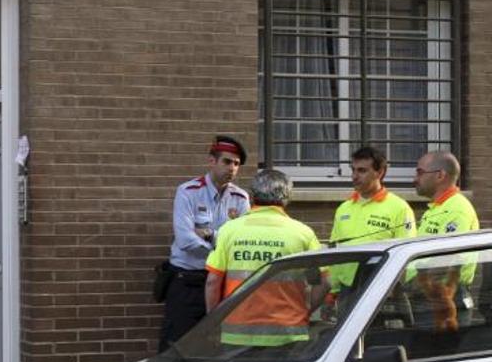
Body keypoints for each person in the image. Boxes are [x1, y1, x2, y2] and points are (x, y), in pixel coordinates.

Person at [205, 169, 327, 346]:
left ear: (252, 196)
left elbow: (212, 282)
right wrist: (306, 311)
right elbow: (324, 282)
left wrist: (213, 322)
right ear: (286, 198)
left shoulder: (229, 230)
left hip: (236, 335)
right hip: (289, 334)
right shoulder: (303, 233)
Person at [158, 135, 250, 352]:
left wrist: (208, 235)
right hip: (188, 282)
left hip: (223, 285)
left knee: (218, 349)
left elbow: (241, 242)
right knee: (178, 347)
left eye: (236, 164)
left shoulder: (241, 198)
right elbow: (185, 240)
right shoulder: (188, 192)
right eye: (227, 162)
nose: (232, 168)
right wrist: (221, 248)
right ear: (212, 161)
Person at [326, 146, 416, 310]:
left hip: (383, 292)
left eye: (362, 171)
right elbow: (335, 253)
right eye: (353, 170)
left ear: (380, 172)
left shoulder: (399, 208)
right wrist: (333, 291)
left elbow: (409, 256)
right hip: (348, 292)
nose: (354, 176)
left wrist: (393, 289)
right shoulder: (344, 209)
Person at [410, 150, 479, 330]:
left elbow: (449, 259)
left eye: (419, 172)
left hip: (445, 297)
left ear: (440, 175)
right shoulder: (437, 209)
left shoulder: (456, 210)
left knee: (436, 355)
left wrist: (417, 283)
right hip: (431, 296)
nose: (414, 179)